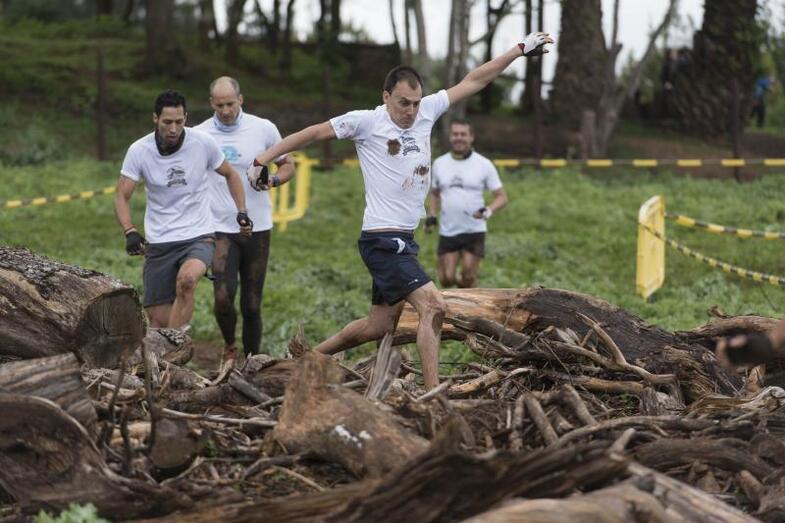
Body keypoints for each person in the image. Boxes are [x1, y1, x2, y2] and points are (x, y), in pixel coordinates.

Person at [247, 32, 554, 390]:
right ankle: (434, 392)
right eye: (403, 103)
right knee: (433, 306)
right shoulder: (367, 121)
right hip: (382, 237)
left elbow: (476, 79)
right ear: (386, 97)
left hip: (403, 239)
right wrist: (263, 158)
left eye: (415, 103)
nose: (410, 111)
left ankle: (305, 360)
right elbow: (314, 133)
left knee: (376, 326)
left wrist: (519, 50)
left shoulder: (427, 111)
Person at [115, 89, 251, 330]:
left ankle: (173, 352)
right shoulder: (139, 151)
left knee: (187, 281)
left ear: (186, 118)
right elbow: (122, 196)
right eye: (167, 122)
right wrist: (130, 231)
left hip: (199, 234)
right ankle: (170, 346)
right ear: (155, 118)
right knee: (157, 321)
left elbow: (231, 174)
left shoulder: (203, 143)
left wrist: (241, 211)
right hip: (160, 239)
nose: (174, 129)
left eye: (179, 121)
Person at [195, 76, 295, 360]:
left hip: (257, 227)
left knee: (252, 304)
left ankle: (252, 363)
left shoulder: (263, 129)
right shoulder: (200, 134)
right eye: (219, 105)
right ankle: (229, 346)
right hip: (218, 227)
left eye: (230, 103)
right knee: (223, 298)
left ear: (241, 99)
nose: (225, 110)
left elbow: (289, 165)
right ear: (211, 103)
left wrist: (272, 180)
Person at [425, 119, 507, 288]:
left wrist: (487, 211)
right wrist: (432, 214)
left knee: (468, 276)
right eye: (455, 134)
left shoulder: (484, 164)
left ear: (471, 137)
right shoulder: (440, 163)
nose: (459, 138)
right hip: (448, 230)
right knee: (446, 279)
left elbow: (502, 197)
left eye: (463, 134)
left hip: (474, 229)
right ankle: (463, 295)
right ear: (450, 137)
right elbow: (435, 193)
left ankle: (467, 308)